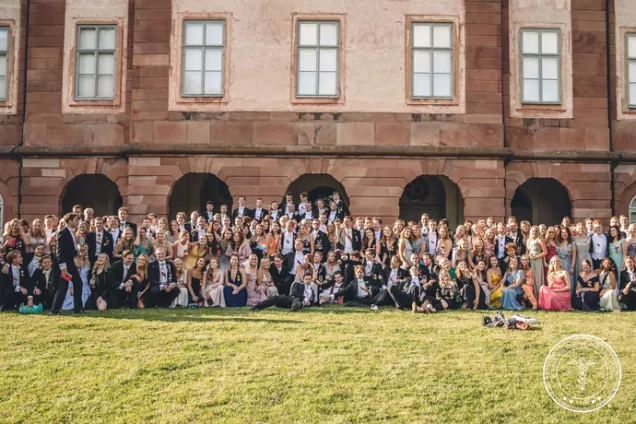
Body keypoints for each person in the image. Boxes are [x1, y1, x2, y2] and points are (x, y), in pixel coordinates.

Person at [50, 213, 83, 315]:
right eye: (76, 220)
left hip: (70, 264)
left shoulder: (71, 232)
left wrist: (77, 251)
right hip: (65, 266)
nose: (78, 222)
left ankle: (77, 308)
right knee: (63, 287)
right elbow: (59, 252)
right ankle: (55, 310)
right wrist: (63, 268)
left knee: (77, 283)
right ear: (69, 221)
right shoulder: (62, 233)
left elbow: (70, 249)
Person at [251, 272, 318, 311]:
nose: (308, 281)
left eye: (309, 279)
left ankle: (295, 307)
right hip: (291, 299)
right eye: (306, 279)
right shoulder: (297, 284)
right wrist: (305, 298)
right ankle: (257, 307)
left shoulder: (312, 290)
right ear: (303, 280)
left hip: (301, 304)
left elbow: (312, 301)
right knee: (276, 298)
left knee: (298, 302)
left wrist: (310, 303)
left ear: (311, 280)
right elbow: (295, 293)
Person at [61, 244, 91, 311]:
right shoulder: (71, 261)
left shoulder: (88, 262)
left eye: (84, 250)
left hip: (85, 285)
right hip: (72, 284)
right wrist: (71, 286)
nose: (82, 251)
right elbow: (66, 275)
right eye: (80, 249)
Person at [526, 226, 546, 300]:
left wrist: (536, 257)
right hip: (530, 261)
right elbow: (527, 251)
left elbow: (545, 252)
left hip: (537, 261)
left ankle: (539, 299)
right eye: (533, 231)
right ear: (530, 231)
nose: (534, 232)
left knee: (537, 278)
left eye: (536, 231)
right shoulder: (528, 240)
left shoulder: (540, 240)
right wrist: (526, 259)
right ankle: (531, 298)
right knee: (530, 278)